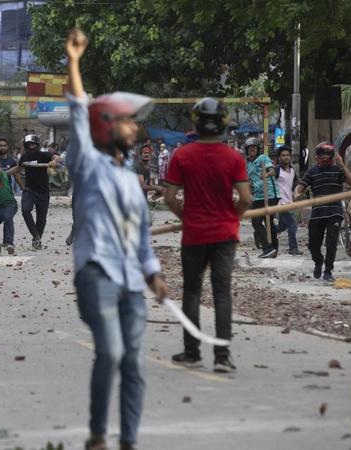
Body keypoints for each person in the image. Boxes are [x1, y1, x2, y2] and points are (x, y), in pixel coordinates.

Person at [64, 29, 169, 450]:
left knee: (134, 365)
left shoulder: (132, 181)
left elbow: (142, 238)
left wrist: (154, 273)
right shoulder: (86, 164)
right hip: (97, 274)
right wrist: (73, 61)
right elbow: (76, 110)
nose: (134, 127)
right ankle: (96, 434)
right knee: (109, 352)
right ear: (106, 126)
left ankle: (128, 440)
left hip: (130, 282)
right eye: (126, 119)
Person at [164, 98, 251, 374]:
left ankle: (192, 352)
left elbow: (170, 197)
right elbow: (246, 199)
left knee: (192, 292)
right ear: (224, 122)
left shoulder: (182, 156)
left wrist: (186, 217)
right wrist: (231, 217)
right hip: (225, 234)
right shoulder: (234, 157)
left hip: (194, 234)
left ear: (196, 122)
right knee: (222, 293)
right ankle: (222, 357)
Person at [294, 142, 351, 281]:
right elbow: (300, 187)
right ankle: (318, 261)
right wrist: (297, 194)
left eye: (329, 155)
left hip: (334, 211)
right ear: (317, 157)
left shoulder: (337, 170)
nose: (326, 158)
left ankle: (328, 270)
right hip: (317, 213)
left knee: (331, 242)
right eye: (323, 155)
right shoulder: (311, 172)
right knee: (313, 244)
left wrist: (342, 165)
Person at [19, 134, 60, 250]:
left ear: (37, 145)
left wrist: (54, 161)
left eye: (33, 144)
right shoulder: (24, 157)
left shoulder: (44, 155)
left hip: (43, 191)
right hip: (29, 190)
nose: (31, 146)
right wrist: (4, 172)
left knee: (41, 218)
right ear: (26, 146)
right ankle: (36, 236)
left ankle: (37, 240)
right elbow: (17, 168)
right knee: (25, 210)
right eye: (28, 145)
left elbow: (57, 157)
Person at [245, 137, 280, 258]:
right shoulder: (248, 164)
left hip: (269, 194)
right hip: (258, 196)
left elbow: (273, 171)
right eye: (249, 149)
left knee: (264, 221)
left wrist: (265, 175)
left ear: (258, 149)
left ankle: (269, 248)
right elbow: (249, 181)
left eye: (254, 148)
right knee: (259, 222)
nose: (252, 150)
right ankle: (272, 248)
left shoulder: (263, 158)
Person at [275, 146, 302, 255]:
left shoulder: (292, 170)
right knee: (293, 224)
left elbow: (295, 184)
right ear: (279, 157)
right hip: (280, 202)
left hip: (289, 202)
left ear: (290, 157)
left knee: (282, 226)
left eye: (287, 155)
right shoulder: (277, 170)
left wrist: (296, 193)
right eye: (283, 155)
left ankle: (261, 234)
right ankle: (293, 248)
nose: (285, 157)